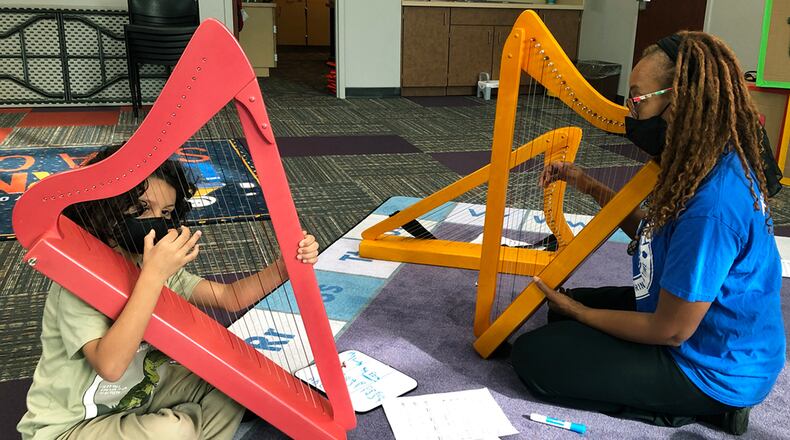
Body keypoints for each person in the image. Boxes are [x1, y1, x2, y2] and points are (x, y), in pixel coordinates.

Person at [511, 32, 786, 435]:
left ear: (680, 100)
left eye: (636, 100)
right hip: (692, 319)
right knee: (556, 311)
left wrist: (581, 314)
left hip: (710, 364)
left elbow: (671, 331)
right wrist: (586, 183)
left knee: (533, 358)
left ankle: (703, 411)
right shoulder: (703, 159)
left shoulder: (715, 204)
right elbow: (650, 234)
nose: (628, 112)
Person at [17, 145, 320, 439]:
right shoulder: (78, 281)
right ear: (106, 208)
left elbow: (230, 298)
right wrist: (152, 276)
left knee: (232, 384)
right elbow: (110, 366)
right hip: (70, 426)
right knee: (175, 430)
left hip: (139, 394)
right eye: (140, 209)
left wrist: (283, 268)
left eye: (166, 213)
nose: (155, 223)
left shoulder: (149, 265)